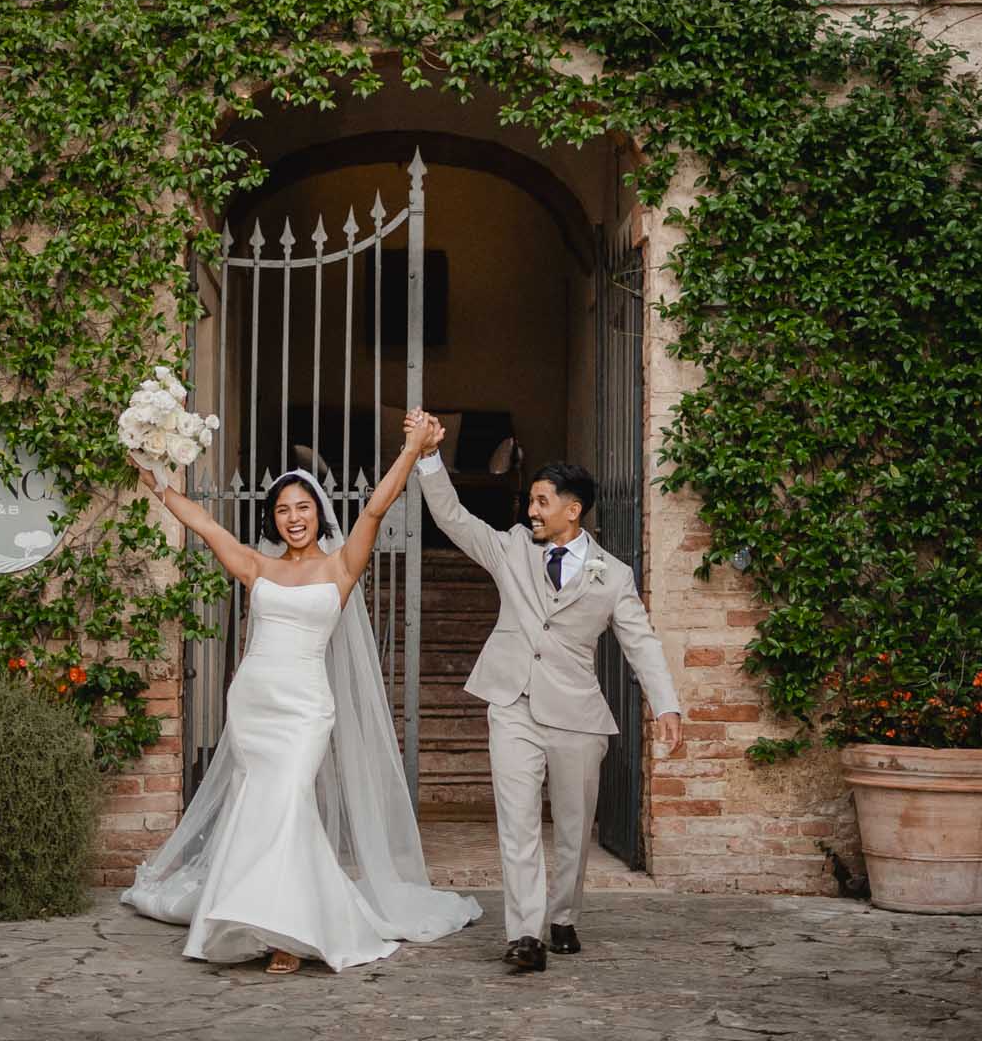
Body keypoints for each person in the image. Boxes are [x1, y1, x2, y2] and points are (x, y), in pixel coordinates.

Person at [120, 411, 480, 972]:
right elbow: (206, 527)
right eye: (283, 509)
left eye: (303, 507)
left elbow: (379, 507)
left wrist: (410, 451)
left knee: (289, 800)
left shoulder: (341, 567)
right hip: (255, 704)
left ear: (319, 513)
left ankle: (290, 931)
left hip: (306, 706)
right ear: (273, 518)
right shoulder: (257, 566)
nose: (293, 518)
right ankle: (260, 918)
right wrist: (156, 481)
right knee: (259, 805)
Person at [407, 411, 682, 973]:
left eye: (540, 502)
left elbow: (643, 642)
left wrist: (667, 702)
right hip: (511, 703)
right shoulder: (510, 548)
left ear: (571, 510)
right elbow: (455, 518)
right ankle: (525, 934)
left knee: (575, 830)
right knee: (517, 821)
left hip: (578, 715)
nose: (530, 510)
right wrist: (428, 457)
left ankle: (563, 916)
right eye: (530, 502)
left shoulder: (614, 575)